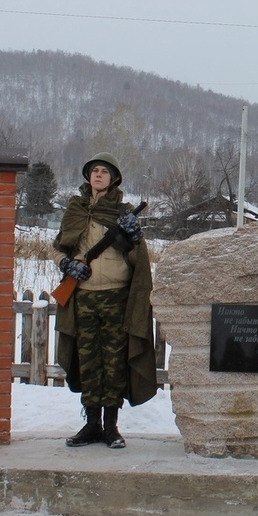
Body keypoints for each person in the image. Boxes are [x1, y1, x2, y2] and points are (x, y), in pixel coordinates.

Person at [52, 152, 157, 449]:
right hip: (83, 297)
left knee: (114, 362)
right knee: (87, 362)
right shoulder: (75, 210)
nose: (98, 175)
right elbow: (57, 248)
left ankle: (111, 427)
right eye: (94, 171)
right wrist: (67, 265)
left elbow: (138, 256)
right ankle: (91, 424)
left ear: (113, 179)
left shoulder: (123, 215)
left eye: (104, 172)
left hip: (116, 297)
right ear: (89, 177)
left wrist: (135, 236)